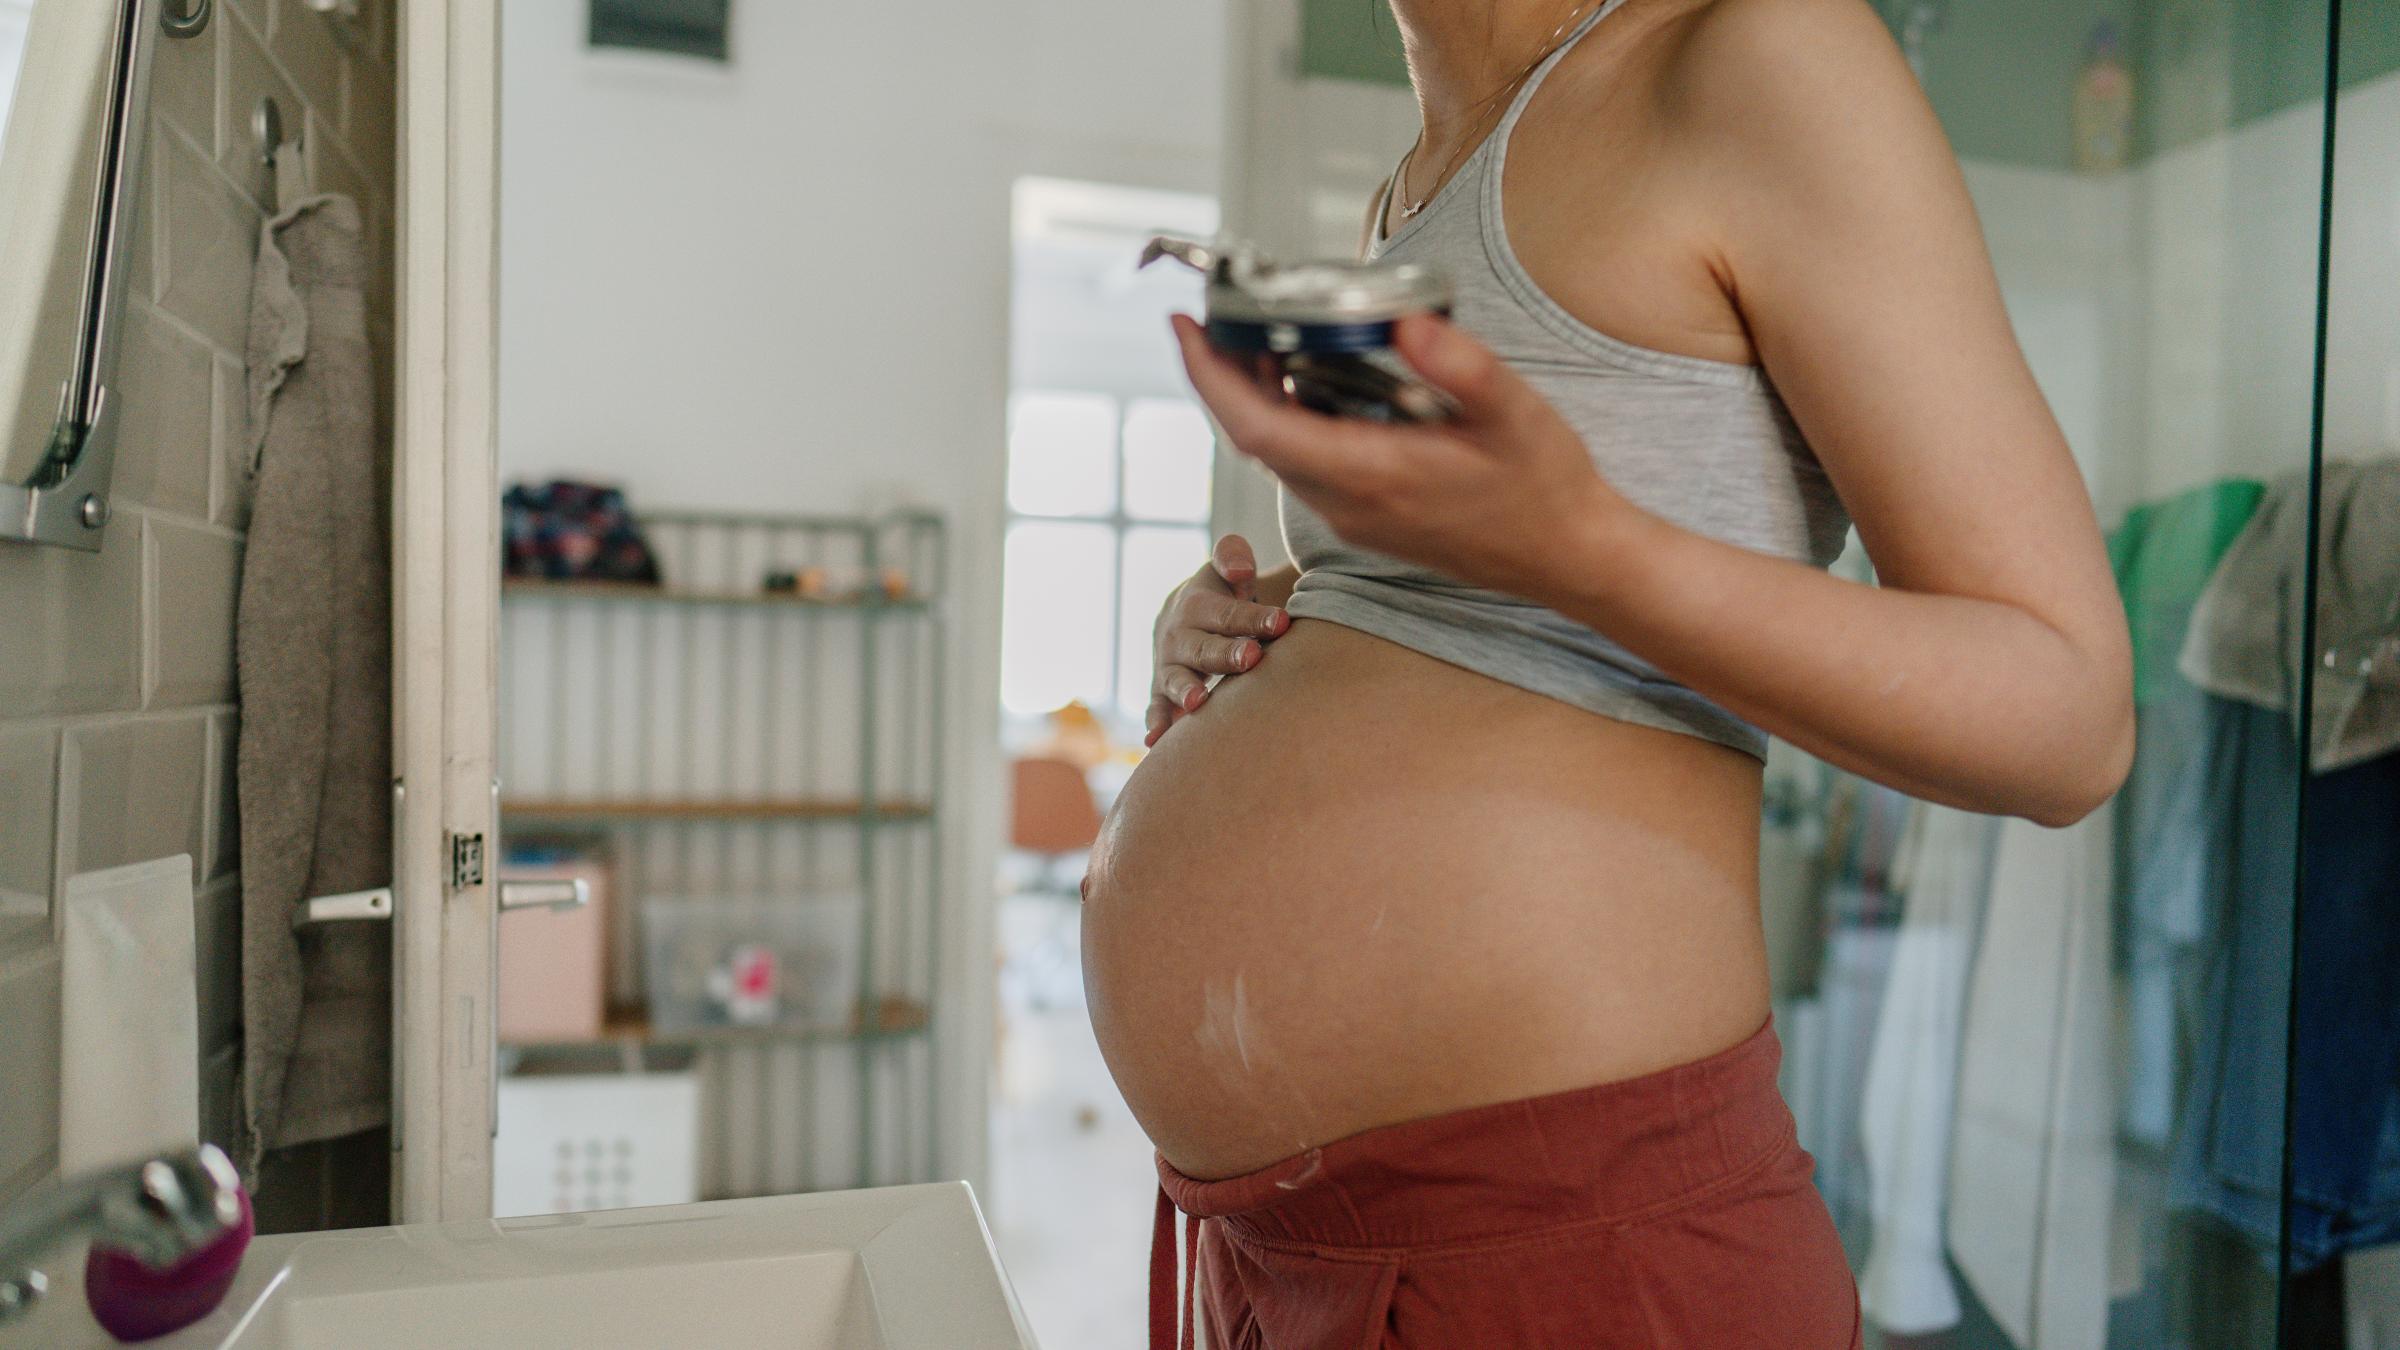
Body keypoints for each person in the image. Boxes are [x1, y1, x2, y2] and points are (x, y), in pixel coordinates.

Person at [1081, 0, 2136, 1344]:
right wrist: (1257, 623)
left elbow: (2070, 715)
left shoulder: (1758, 52)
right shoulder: (1410, 187)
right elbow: (1473, 593)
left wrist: (1589, 549)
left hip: (1571, 1243)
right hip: (1286, 1247)